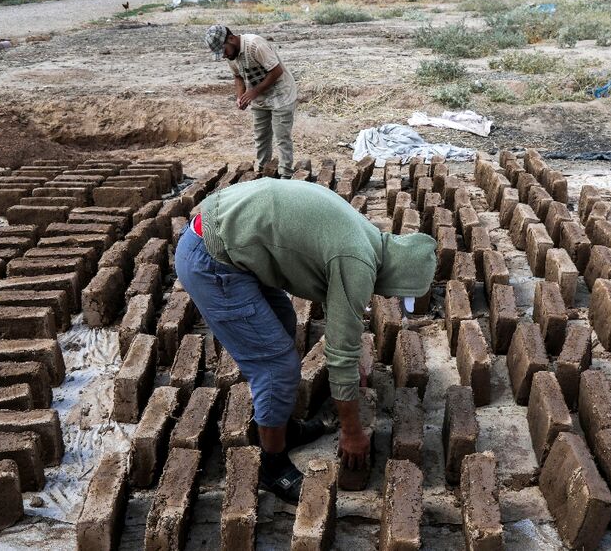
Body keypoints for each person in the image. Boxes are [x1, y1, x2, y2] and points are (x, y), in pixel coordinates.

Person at [175, 178, 436, 504]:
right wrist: (352, 432)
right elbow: (339, 351)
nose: (388, 296)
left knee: (284, 325)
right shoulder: (357, 263)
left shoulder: (368, 238)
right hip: (213, 260)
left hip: (228, 237)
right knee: (277, 365)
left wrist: (352, 356)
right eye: (396, 293)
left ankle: (285, 427)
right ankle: (272, 465)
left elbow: (339, 313)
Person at [205, 25, 298, 179]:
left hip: (281, 95)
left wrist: (253, 92)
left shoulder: (255, 45)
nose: (224, 56)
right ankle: (263, 172)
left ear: (231, 39)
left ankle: (286, 175)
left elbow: (276, 71)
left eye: (224, 51)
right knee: (261, 137)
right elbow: (238, 77)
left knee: (282, 137)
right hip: (259, 98)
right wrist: (241, 96)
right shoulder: (231, 55)